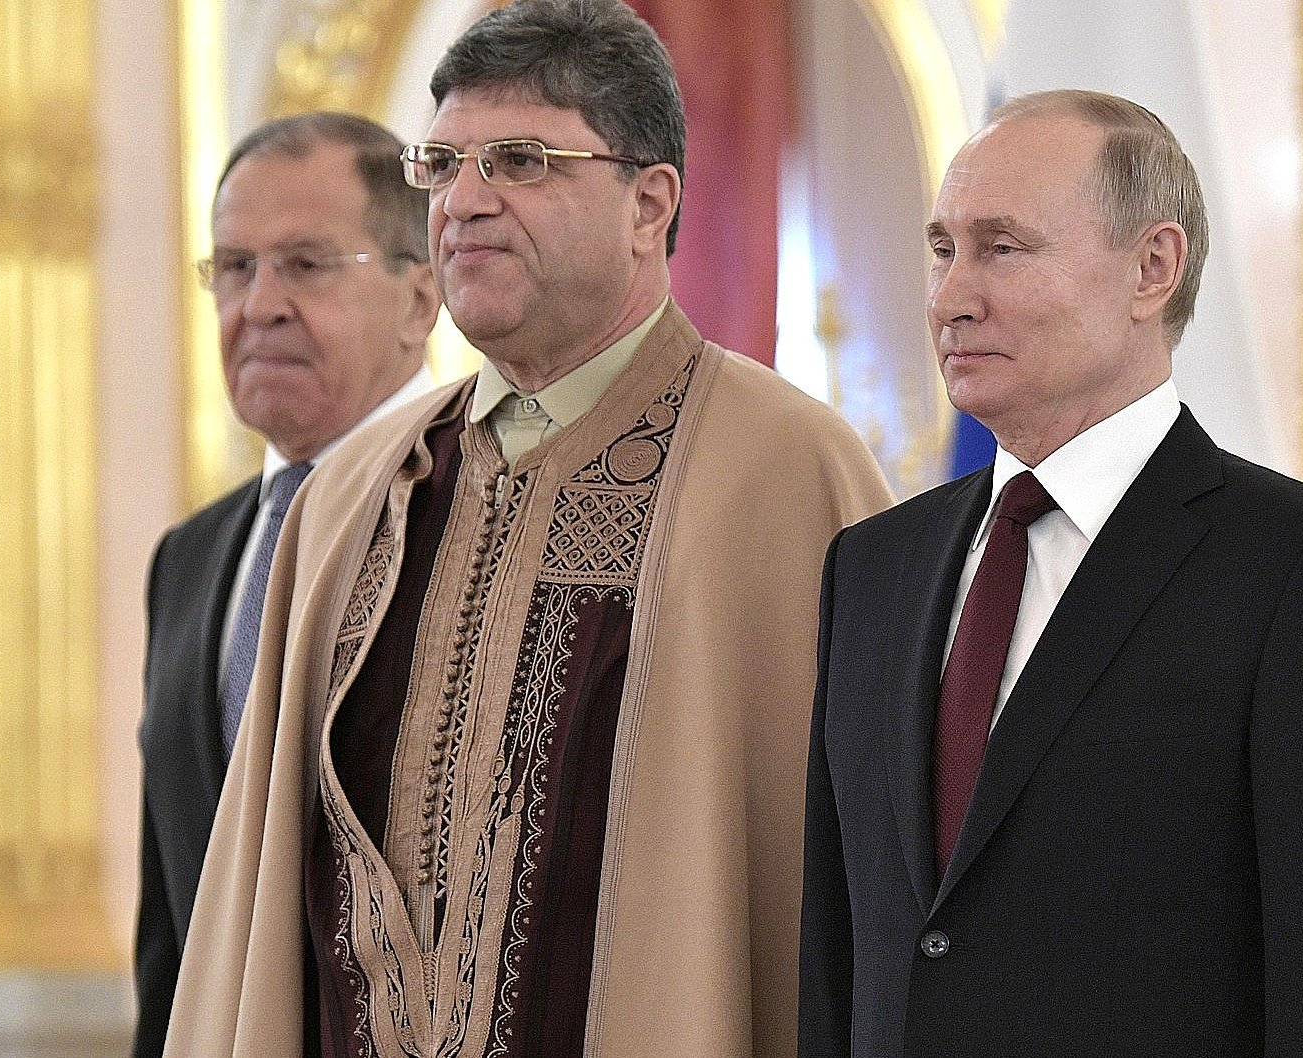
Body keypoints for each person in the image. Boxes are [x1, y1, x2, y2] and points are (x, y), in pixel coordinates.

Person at [162, 3, 893, 1057]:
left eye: (518, 160)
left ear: (649, 203)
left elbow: (846, 903)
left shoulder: (784, 471)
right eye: (441, 164)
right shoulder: (354, 493)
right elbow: (261, 913)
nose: (462, 201)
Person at [799, 89, 1303, 1057]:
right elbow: (842, 947)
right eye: (943, 249)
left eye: (1002, 246)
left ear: (1151, 267)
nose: (950, 296)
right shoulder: (872, 565)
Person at [134, 111, 440, 1058]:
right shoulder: (190, 559)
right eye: (232, 267)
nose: (257, 304)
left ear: (421, 299)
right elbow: (170, 930)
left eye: (305, 265)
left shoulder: (476, 519)